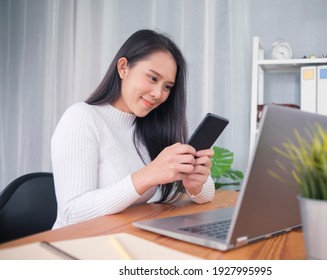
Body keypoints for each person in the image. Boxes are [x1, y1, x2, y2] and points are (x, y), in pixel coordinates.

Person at [51, 29, 215, 229]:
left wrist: (196, 185)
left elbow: (207, 196)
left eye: (167, 87)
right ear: (123, 68)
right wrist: (147, 175)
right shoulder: (81, 118)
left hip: (123, 240)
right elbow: (72, 214)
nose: (158, 94)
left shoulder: (151, 126)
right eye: (153, 78)